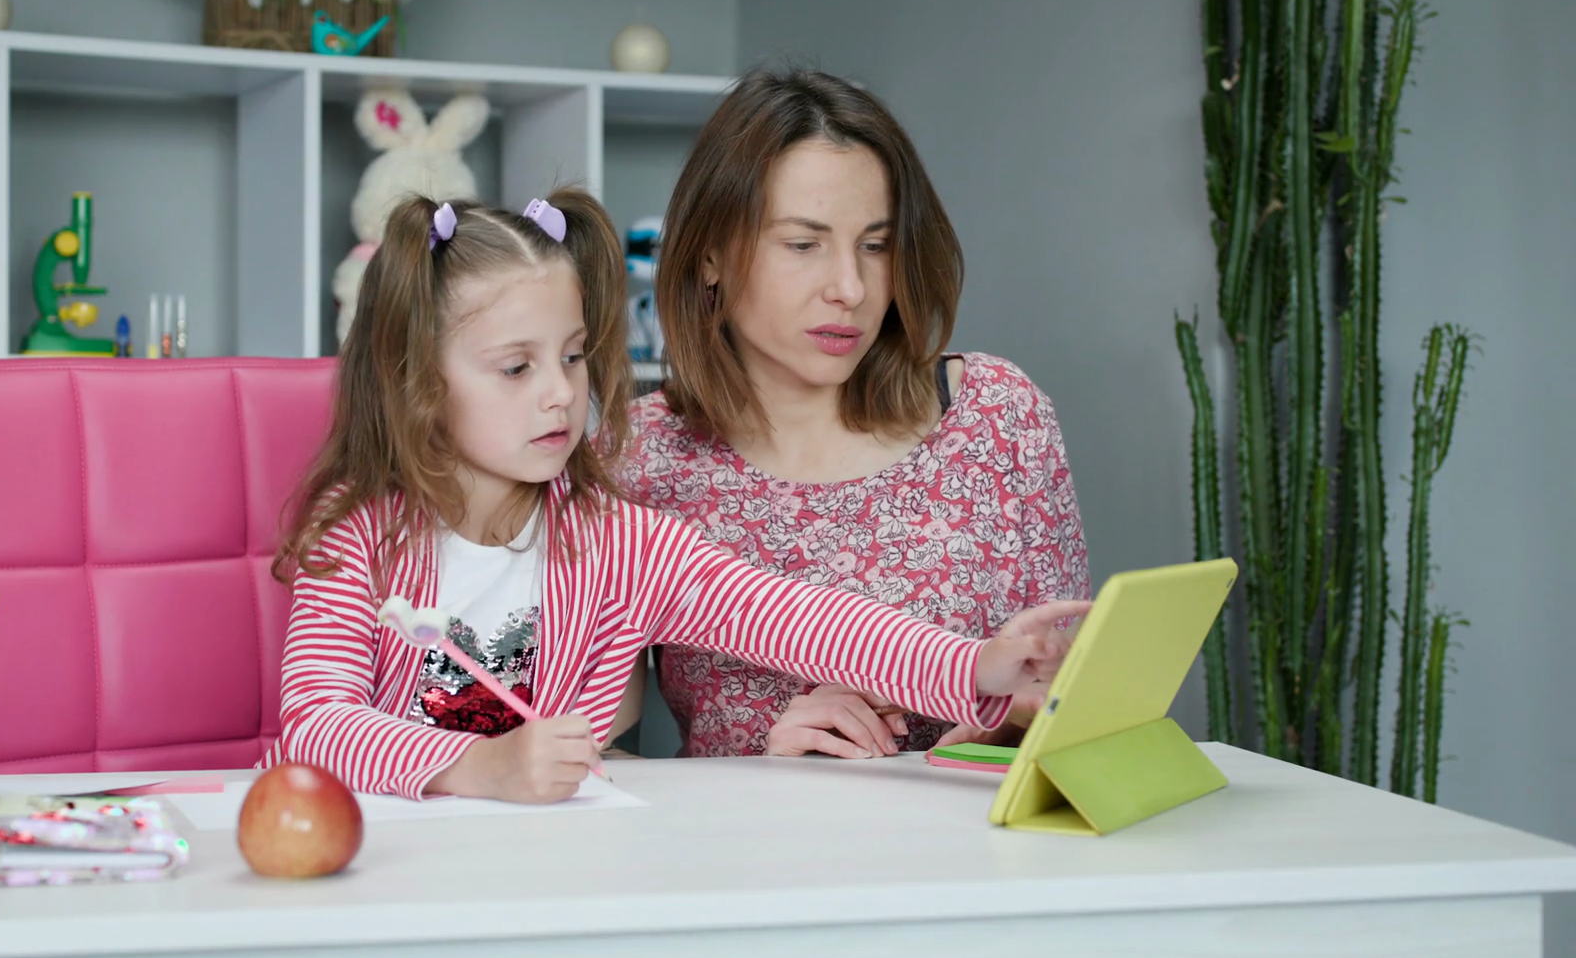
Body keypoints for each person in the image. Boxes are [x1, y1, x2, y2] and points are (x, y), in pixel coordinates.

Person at [261, 187, 1089, 802]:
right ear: (415, 381)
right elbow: (315, 725)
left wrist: (973, 665)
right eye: (516, 367)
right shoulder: (356, 538)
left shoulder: (621, 543)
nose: (560, 394)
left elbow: (800, 618)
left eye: (573, 356)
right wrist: (480, 765)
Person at [619, 67, 1091, 760]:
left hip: (979, 830)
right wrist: (765, 774)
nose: (851, 287)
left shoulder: (1000, 415)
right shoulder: (637, 456)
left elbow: (1073, 702)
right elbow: (592, 764)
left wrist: (1012, 721)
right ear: (710, 255)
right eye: (803, 244)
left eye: (875, 246)